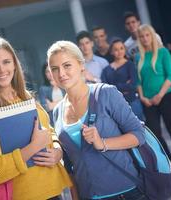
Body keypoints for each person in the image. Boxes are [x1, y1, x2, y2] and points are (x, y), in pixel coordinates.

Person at [47, 40, 148, 200]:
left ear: (81, 65)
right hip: (88, 194)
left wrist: (103, 143)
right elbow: (69, 163)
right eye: (54, 69)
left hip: (124, 192)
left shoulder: (106, 94)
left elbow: (138, 134)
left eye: (67, 65)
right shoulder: (58, 111)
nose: (61, 73)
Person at [0, 36, 72, 200]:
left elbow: (48, 130)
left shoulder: (26, 98)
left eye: (6, 62)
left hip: (53, 189)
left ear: (14, 64)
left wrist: (57, 150)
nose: (2, 70)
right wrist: (33, 147)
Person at [136, 24, 171, 173]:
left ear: (152, 36)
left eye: (147, 35)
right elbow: (139, 81)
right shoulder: (138, 57)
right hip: (147, 101)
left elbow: (170, 76)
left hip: (165, 96)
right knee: (154, 133)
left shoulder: (163, 52)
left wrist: (159, 95)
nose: (145, 39)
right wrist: (143, 97)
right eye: (142, 36)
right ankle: (168, 159)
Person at [101, 38, 144, 121]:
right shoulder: (106, 70)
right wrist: (124, 85)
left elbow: (133, 85)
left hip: (132, 102)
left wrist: (114, 86)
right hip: (116, 105)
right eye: (116, 49)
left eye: (121, 48)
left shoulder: (130, 65)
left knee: (140, 128)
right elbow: (105, 89)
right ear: (111, 52)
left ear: (125, 49)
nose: (119, 51)